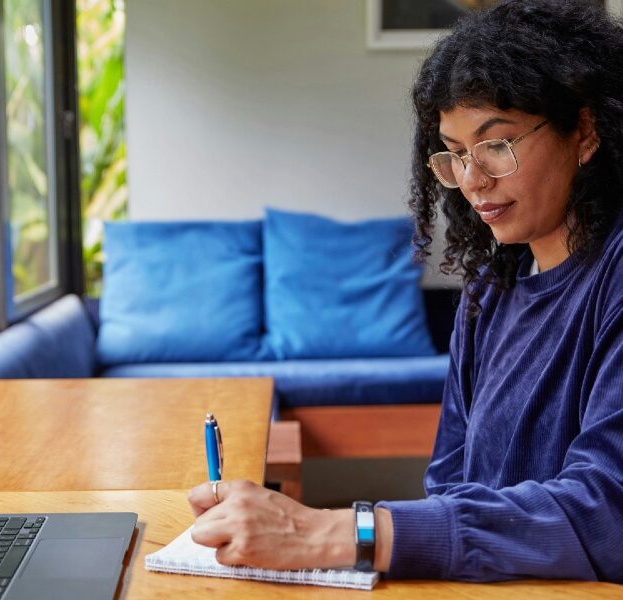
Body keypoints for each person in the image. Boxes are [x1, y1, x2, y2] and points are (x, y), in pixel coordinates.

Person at [187, 0, 623, 582]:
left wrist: (330, 531)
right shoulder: (489, 292)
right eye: (457, 153)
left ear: (586, 131)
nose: (473, 179)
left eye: (497, 145)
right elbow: (450, 481)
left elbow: (607, 514)